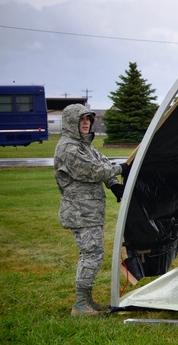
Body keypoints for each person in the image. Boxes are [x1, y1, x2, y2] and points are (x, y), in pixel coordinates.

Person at [54, 104, 129, 317]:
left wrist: (114, 184)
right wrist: (120, 168)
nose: (86, 122)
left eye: (88, 119)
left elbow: (102, 162)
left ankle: (86, 299)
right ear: (71, 122)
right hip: (80, 212)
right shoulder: (68, 148)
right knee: (92, 253)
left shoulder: (84, 146)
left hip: (90, 211)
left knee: (91, 252)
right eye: (81, 119)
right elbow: (94, 170)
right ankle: (79, 305)